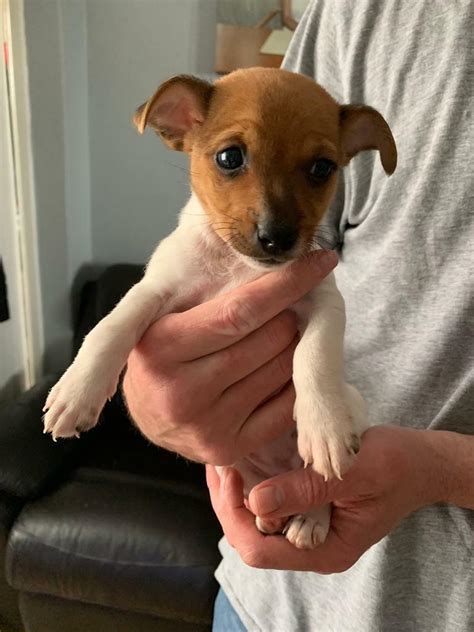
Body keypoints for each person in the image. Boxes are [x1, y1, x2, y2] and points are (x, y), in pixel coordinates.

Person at [123, 0, 474, 630]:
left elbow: (314, 286)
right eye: (233, 160)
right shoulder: (358, 11)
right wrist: (160, 401)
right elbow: (295, 268)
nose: (272, 213)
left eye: (319, 170)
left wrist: (443, 470)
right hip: (261, 602)